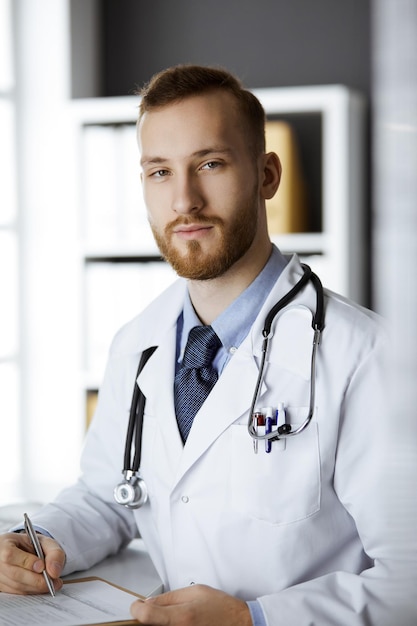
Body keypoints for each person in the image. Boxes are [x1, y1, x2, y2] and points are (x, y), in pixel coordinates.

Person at [0, 65, 416, 626]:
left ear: (267, 175)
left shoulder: (366, 356)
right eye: (160, 172)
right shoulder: (138, 343)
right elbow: (109, 496)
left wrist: (257, 618)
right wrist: (41, 540)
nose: (184, 201)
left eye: (210, 164)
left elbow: (409, 577)